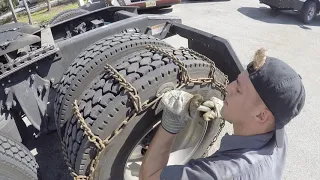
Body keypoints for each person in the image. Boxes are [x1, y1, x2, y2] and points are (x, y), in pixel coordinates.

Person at [139, 48, 306, 180]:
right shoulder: (278, 137)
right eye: (237, 81)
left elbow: (148, 177)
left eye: (239, 90)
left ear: (262, 116)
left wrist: (171, 124)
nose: (228, 88)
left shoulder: (219, 174)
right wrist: (225, 110)